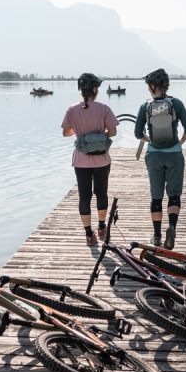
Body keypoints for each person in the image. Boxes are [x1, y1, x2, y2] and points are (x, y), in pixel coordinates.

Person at [134, 68, 186, 250]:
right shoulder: (177, 103)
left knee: (156, 197)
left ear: (152, 86)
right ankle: (172, 227)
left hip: (154, 155)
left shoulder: (145, 106)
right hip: (174, 155)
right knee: (174, 194)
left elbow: (137, 134)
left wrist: (149, 140)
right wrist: (178, 143)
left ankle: (157, 236)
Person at [62, 73, 119, 246]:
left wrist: (80, 133)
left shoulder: (71, 109)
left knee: (84, 195)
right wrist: (100, 136)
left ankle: (89, 235)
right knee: (101, 192)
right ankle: (102, 228)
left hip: (81, 161)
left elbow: (66, 133)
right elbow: (113, 132)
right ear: (95, 89)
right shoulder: (104, 108)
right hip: (102, 159)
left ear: (81, 90)